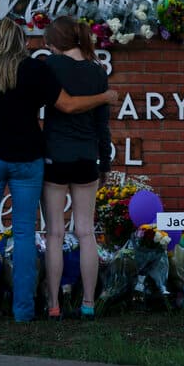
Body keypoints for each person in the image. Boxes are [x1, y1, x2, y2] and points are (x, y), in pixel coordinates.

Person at [0, 16, 116, 323]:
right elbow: (68, 106)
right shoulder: (34, 69)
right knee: (26, 232)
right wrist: (105, 97)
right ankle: (24, 310)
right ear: (21, 42)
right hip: (27, 160)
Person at [41, 16, 112, 320]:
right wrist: (105, 162)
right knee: (86, 232)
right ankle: (88, 303)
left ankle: (54, 304)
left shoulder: (49, 66)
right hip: (87, 157)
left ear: (55, 41)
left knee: (55, 233)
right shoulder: (98, 72)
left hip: (55, 155)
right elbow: (102, 125)